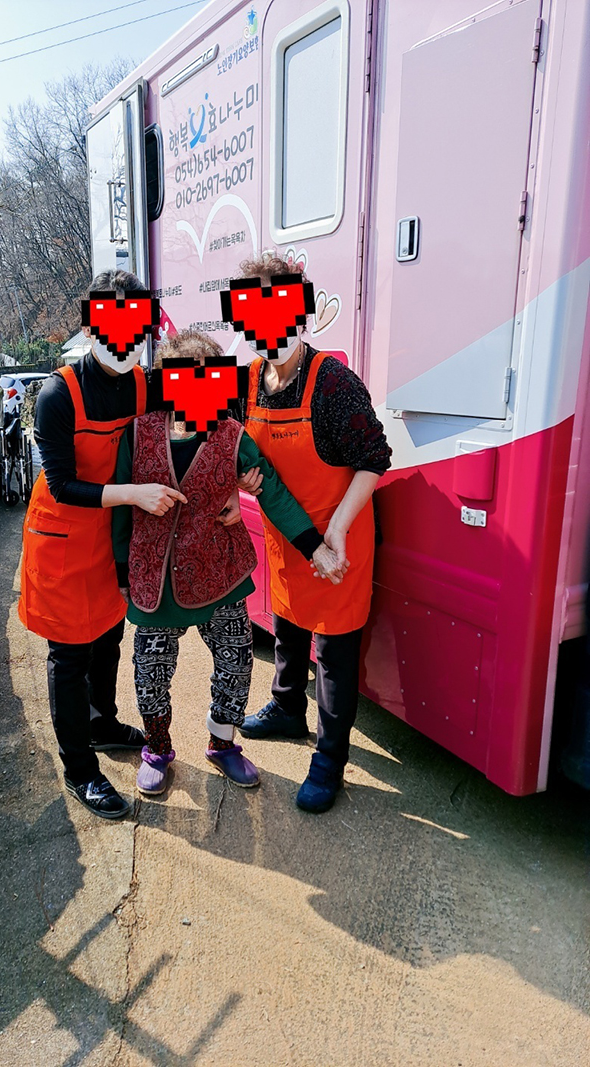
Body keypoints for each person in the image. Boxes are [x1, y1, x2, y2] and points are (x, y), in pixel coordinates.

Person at [112, 329, 338, 797]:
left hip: (220, 573)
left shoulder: (232, 436)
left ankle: (222, 743)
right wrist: (121, 570)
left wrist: (315, 547)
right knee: (150, 671)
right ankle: (157, 749)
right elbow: (119, 510)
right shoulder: (138, 432)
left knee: (236, 661)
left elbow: (272, 491)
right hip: (156, 578)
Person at [19, 269, 186, 821]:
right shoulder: (57, 394)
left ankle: (102, 721)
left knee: (110, 633)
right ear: (90, 326)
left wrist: (240, 473)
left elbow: (207, 401)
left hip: (111, 539)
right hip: (63, 539)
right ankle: (79, 769)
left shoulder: (142, 382)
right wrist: (134, 494)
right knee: (70, 655)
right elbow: (62, 484)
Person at [232, 253, 392, 814]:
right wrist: (242, 483)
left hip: (338, 539)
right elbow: (240, 453)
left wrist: (337, 533)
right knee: (287, 626)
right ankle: (285, 708)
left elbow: (375, 458)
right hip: (288, 538)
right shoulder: (247, 381)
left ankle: (330, 757)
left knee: (333, 651)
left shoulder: (333, 383)